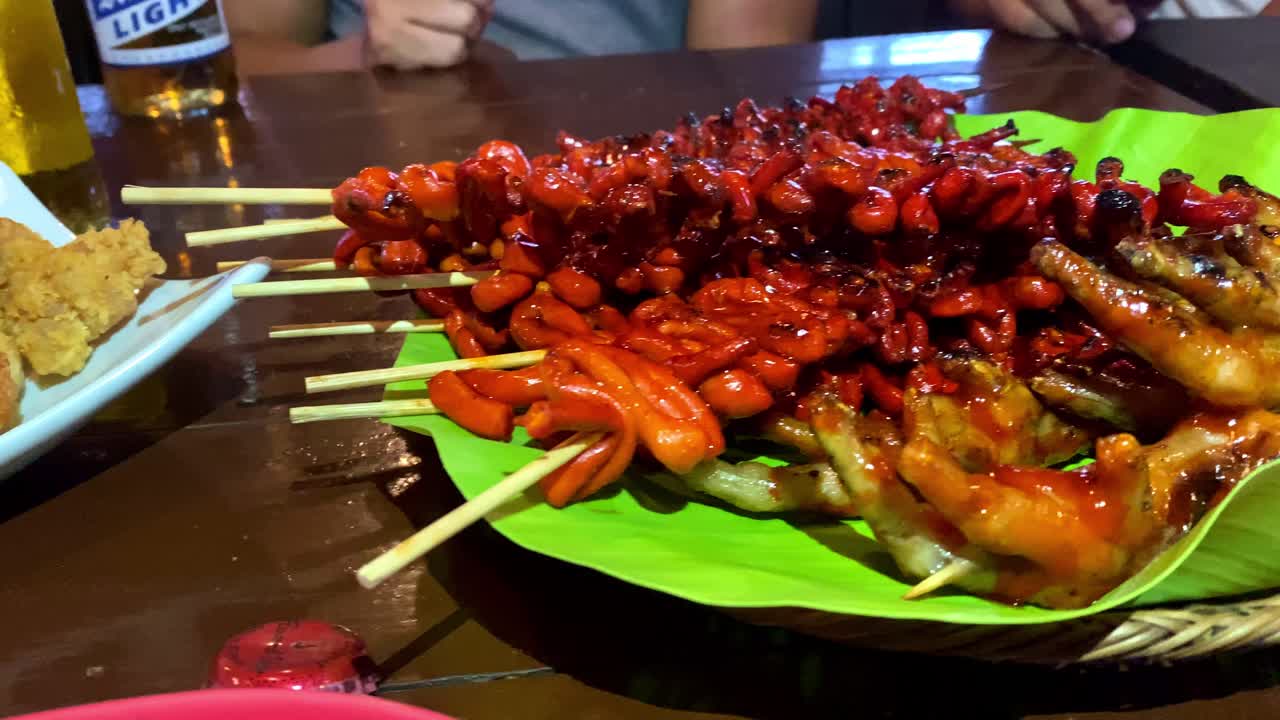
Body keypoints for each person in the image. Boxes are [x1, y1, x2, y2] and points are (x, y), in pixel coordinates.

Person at [226, 0, 821, 74]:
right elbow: (240, 51)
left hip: (630, 194)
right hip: (363, 177)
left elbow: (751, 77)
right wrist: (359, 56)